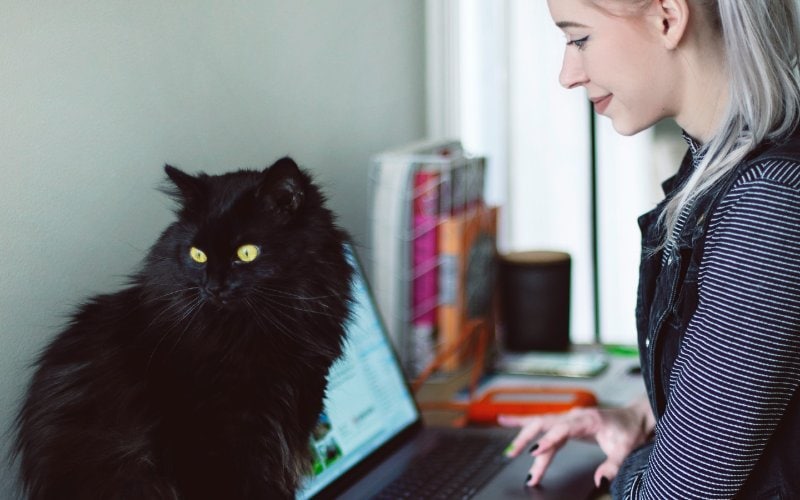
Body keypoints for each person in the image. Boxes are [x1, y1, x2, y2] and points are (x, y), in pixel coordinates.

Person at [499, 0, 800, 498]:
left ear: (667, 17)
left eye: (579, 38)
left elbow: (676, 493)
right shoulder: (725, 167)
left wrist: (646, 465)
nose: (568, 75)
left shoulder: (767, 200)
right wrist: (642, 415)